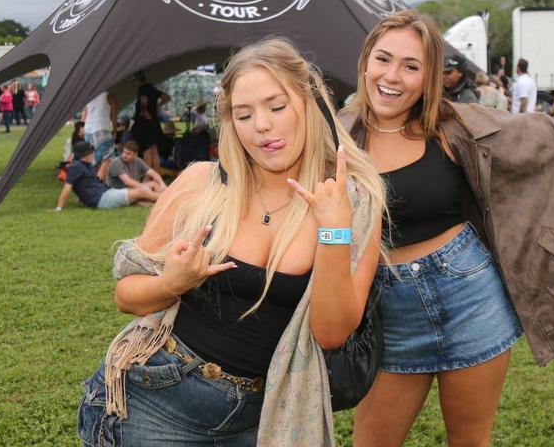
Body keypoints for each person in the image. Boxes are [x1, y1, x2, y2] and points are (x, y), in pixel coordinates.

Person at [343, 11, 554, 447]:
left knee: (471, 442)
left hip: (470, 299)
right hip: (390, 314)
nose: (392, 76)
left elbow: (552, 140)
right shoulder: (336, 137)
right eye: (383, 59)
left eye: (411, 66)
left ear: (430, 76)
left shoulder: (456, 127)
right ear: (365, 62)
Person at [78, 38, 385, 445]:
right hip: (154, 400)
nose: (261, 126)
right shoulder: (200, 184)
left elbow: (331, 333)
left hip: (264, 417)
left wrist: (333, 230)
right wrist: (173, 282)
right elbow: (127, 296)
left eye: (277, 107)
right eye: (244, 114)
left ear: (309, 103)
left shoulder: (354, 200)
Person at [56, 141, 136, 210]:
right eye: (90, 153)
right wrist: (59, 208)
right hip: (100, 199)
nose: (92, 154)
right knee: (140, 191)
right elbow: (67, 187)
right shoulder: (76, 166)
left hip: (105, 193)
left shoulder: (86, 164)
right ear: (82, 155)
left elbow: (85, 184)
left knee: (137, 195)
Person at [130, 73, 170, 171]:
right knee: (154, 151)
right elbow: (167, 97)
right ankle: (156, 176)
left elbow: (144, 100)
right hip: (154, 124)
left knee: (146, 152)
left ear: (139, 80)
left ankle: (148, 178)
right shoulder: (153, 89)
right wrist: (157, 106)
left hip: (144, 124)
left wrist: (144, 112)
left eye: (134, 81)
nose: (134, 84)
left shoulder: (142, 89)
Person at [82, 91, 117, 163]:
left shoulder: (88, 96)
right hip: (102, 128)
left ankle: (91, 172)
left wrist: (82, 128)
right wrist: (115, 130)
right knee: (106, 158)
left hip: (88, 129)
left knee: (89, 157)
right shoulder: (110, 96)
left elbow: (84, 113)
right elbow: (114, 116)